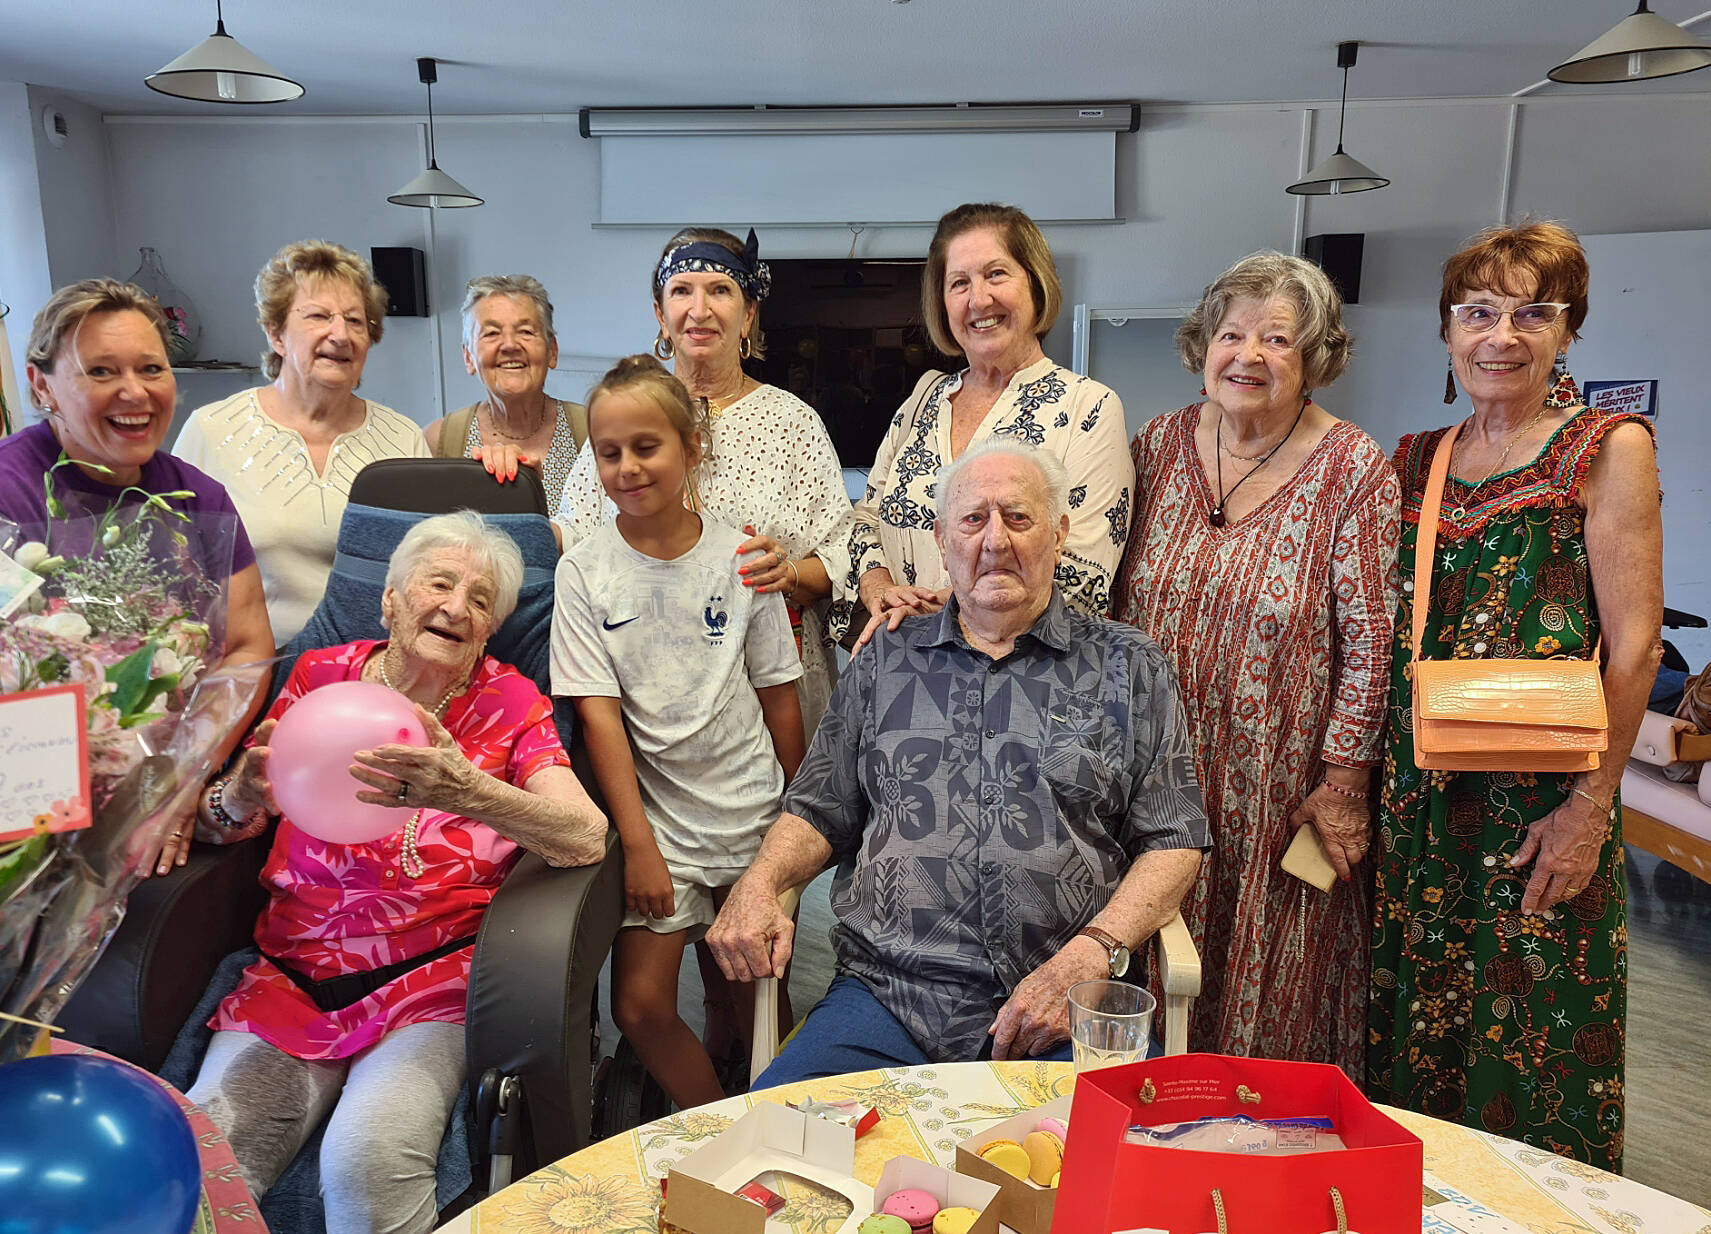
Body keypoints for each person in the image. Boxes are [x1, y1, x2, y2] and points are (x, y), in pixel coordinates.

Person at [186, 511, 606, 1234]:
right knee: (207, 1163)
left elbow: (585, 837)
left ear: (490, 632)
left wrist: (470, 790)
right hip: (292, 977)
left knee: (369, 1157)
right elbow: (223, 824)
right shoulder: (318, 677)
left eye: (481, 599)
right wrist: (239, 793)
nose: (457, 606)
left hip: (429, 984)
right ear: (387, 601)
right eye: (439, 584)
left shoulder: (509, 702)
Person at [708, 441, 1210, 1084]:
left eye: (1019, 519)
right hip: (887, 997)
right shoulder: (886, 659)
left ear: (1059, 535)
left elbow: (1176, 840)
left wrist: (1093, 953)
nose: (995, 540)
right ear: (942, 541)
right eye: (973, 520)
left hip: (1059, 1003)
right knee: (783, 1147)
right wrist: (759, 881)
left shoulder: (1129, 665)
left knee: (1101, 1171)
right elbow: (817, 808)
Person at [1370, 222, 1661, 1171]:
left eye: (1532, 313)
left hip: (1538, 803)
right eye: (1479, 312)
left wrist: (1588, 809)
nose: (1502, 334)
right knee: (1419, 1036)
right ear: (1447, 332)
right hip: (1423, 799)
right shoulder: (1418, 457)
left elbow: (1635, 648)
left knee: (1534, 1040)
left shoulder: (1605, 448)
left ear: (1567, 331)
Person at [1114, 253, 1399, 1076]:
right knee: (1144, 963)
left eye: (1278, 339)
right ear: (1201, 344)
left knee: (1267, 993)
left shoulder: (1351, 468)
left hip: (1277, 790)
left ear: (1314, 360)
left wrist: (1344, 787)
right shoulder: (1158, 443)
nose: (1248, 354)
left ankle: (1253, 1144)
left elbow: (1372, 642)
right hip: (1145, 777)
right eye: (1231, 333)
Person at [0, 277, 274, 876]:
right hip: (19, 813)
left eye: (152, 368)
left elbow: (247, 647)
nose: (135, 392)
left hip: (165, 789)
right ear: (43, 385)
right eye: (100, 372)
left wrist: (180, 773)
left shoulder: (199, 499)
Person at [551, 357, 805, 1107]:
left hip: (754, 816)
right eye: (608, 451)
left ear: (691, 448)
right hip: (658, 828)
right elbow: (599, 715)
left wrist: (796, 821)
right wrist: (637, 847)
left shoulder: (742, 559)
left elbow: (778, 696)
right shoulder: (585, 572)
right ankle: (713, 1127)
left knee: (753, 999)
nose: (627, 467)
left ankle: (774, 1119)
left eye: (646, 446)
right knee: (640, 1006)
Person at [553, 227, 853, 740]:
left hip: (774, 690)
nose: (700, 309)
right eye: (682, 291)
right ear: (660, 316)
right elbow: (576, 536)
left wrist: (789, 573)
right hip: (652, 693)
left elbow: (841, 552)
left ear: (749, 315)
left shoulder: (792, 423)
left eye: (720, 290)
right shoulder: (628, 415)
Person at [841, 203, 1132, 644]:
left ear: (1036, 285)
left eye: (996, 274)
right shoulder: (924, 398)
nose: (979, 299)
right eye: (959, 283)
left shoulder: (1088, 407)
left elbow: (1083, 577)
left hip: (1020, 676)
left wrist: (944, 615)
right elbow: (866, 517)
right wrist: (880, 588)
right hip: (901, 658)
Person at [175, 240, 430, 645]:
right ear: (276, 333)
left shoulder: (403, 439)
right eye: (318, 316)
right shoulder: (210, 431)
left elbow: (425, 570)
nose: (340, 334)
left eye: (356, 321)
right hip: (255, 669)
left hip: (376, 673)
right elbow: (175, 574)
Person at [424, 275, 588, 513]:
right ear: (468, 357)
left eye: (526, 332)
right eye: (491, 333)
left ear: (552, 351)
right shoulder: (438, 441)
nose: (510, 345)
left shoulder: (592, 432)